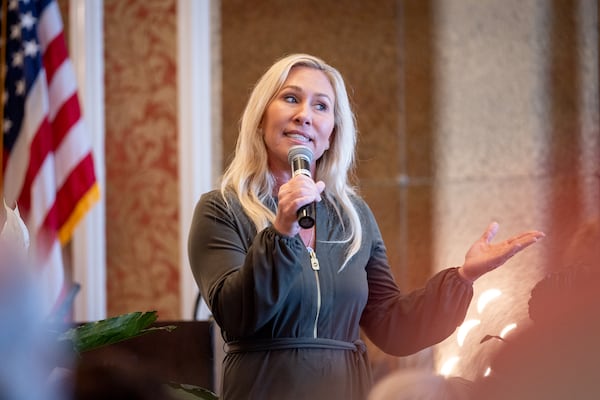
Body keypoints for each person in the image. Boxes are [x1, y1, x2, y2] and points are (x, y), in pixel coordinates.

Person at [187, 53, 544, 400]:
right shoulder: (221, 209)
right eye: (290, 98)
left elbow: (393, 327)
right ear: (261, 118)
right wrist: (281, 232)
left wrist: (464, 277)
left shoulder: (352, 216)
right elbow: (237, 315)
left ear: (331, 135)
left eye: (321, 106)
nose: (304, 116)